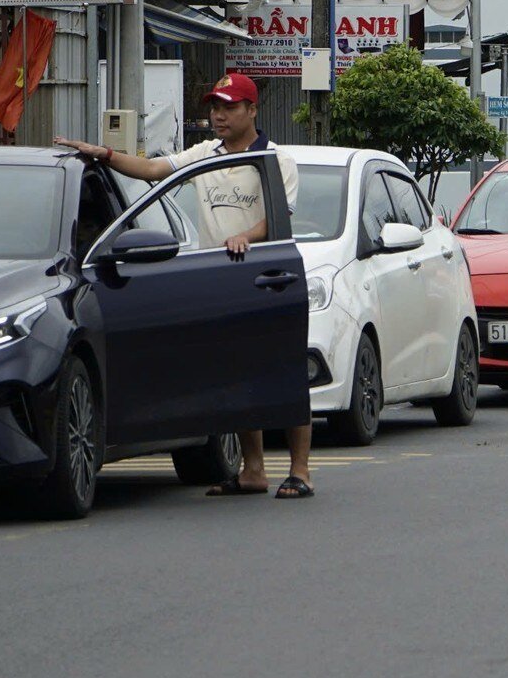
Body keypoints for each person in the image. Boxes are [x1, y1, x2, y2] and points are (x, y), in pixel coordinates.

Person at [55, 73, 314, 500]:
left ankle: (301, 471)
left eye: (229, 107)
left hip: (265, 273)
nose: (218, 115)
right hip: (221, 275)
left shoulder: (274, 159)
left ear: (252, 111)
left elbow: (279, 217)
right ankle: (253, 471)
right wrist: (102, 153)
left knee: (282, 371)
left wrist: (248, 236)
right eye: (214, 107)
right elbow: (153, 170)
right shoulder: (205, 153)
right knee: (236, 374)